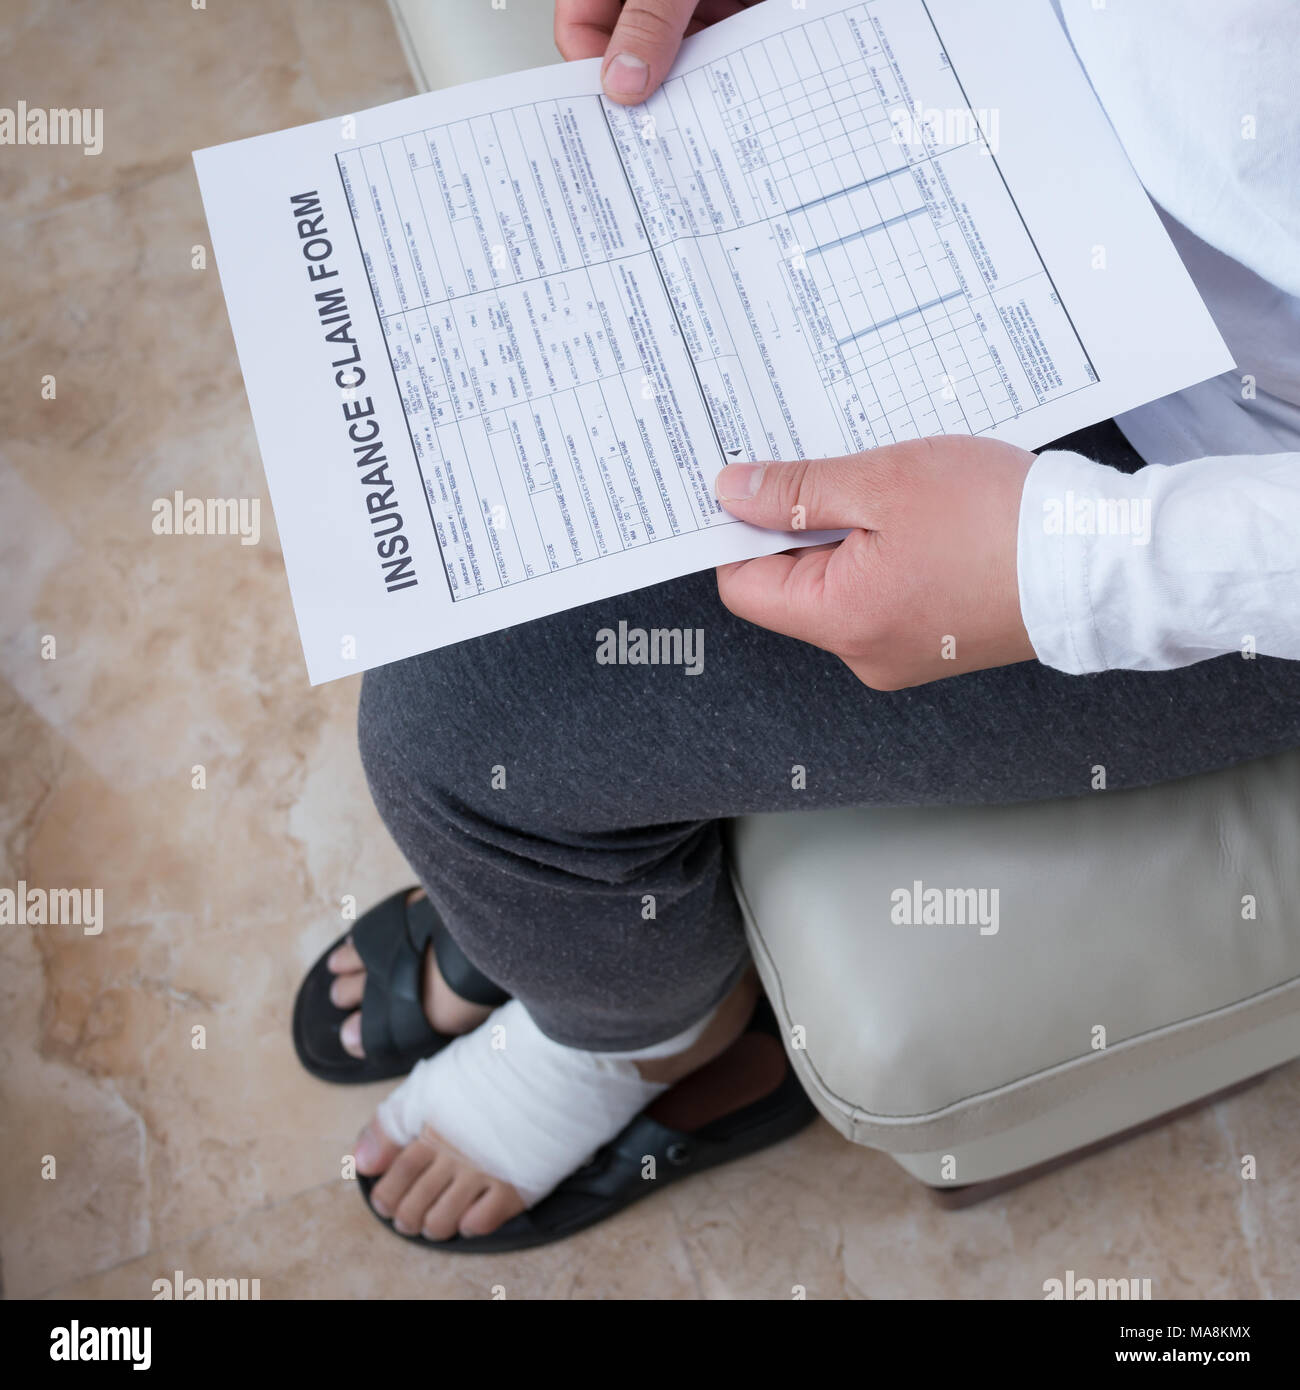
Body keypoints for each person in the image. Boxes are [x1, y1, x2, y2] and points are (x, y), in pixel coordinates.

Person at [291, 0, 1300, 1251]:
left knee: (460, 729)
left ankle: (649, 1034)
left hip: (1215, 470)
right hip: (986, 131)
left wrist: (1070, 563)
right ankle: (560, 926)